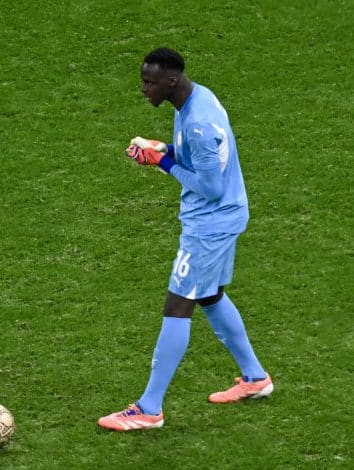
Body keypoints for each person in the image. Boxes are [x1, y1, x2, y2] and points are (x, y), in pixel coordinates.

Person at [98, 48, 273, 432]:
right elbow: (200, 157)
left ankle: (149, 407)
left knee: (178, 302)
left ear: (171, 80)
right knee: (209, 295)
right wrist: (164, 148)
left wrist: (160, 162)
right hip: (222, 216)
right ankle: (255, 378)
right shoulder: (197, 99)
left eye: (149, 82)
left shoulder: (198, 122)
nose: (143, 89)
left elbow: (209, 187)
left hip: (210, 222)